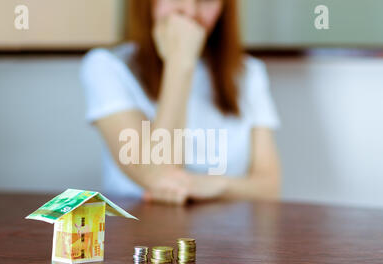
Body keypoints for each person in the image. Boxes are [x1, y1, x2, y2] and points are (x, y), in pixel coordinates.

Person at [80, 0, 281, 205]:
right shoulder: (106, 67)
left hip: (230, 231)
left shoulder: (248, 73)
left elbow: (268, 187)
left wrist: (217, 185)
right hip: (142, 231)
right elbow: (158, 175)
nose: (190, 12)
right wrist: (180, 62)